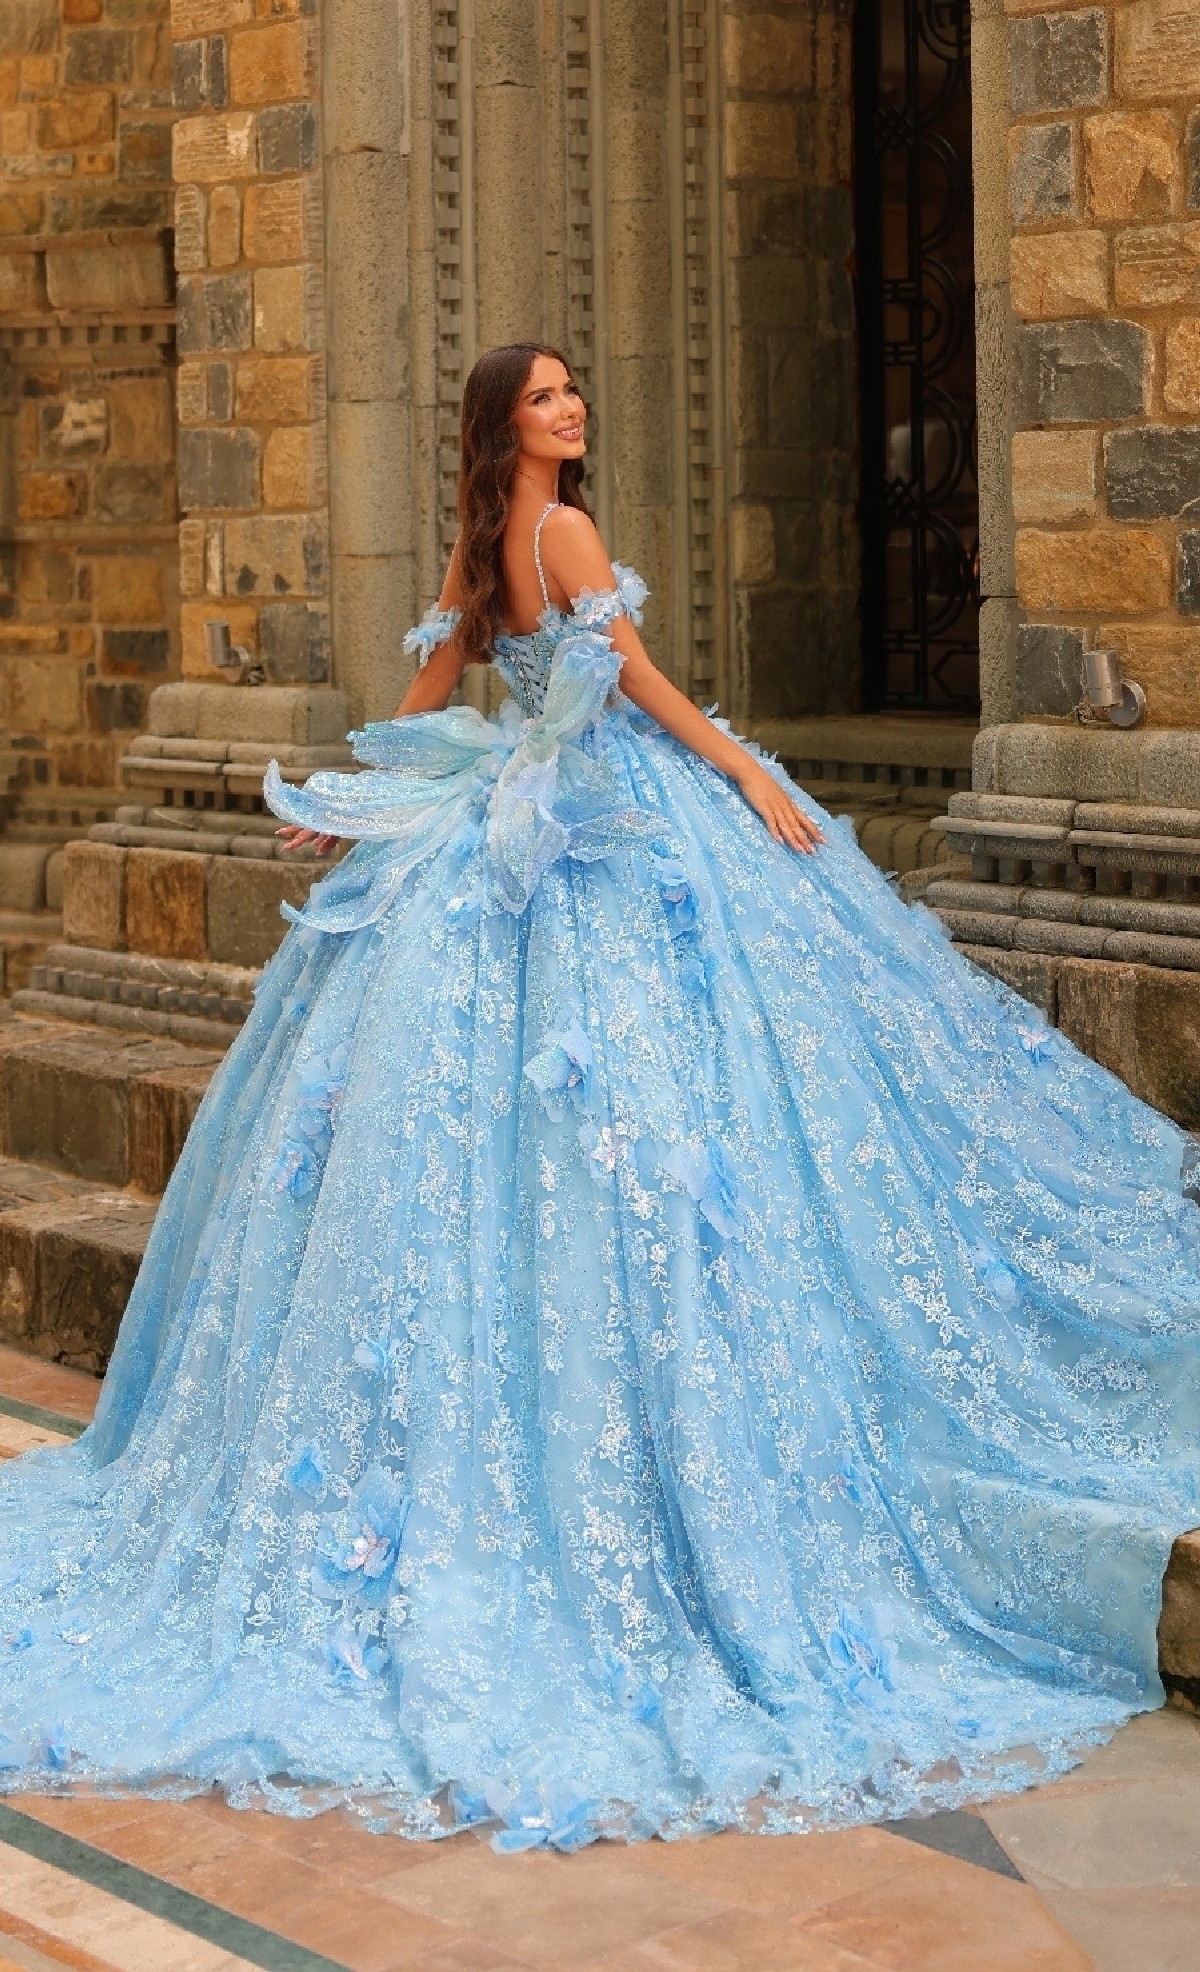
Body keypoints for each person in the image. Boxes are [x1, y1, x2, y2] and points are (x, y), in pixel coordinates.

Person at [0, 342, 1195, 1853]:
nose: (575, 412)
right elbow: (631, 683)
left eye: (573, 394)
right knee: (716, 1098)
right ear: (510, 427)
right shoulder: (562, 531)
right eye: (550, 398)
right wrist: (749, 777)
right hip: (611, 820)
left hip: (521, 819)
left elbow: (438, 685)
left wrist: (362, 803)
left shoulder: (481, 538)